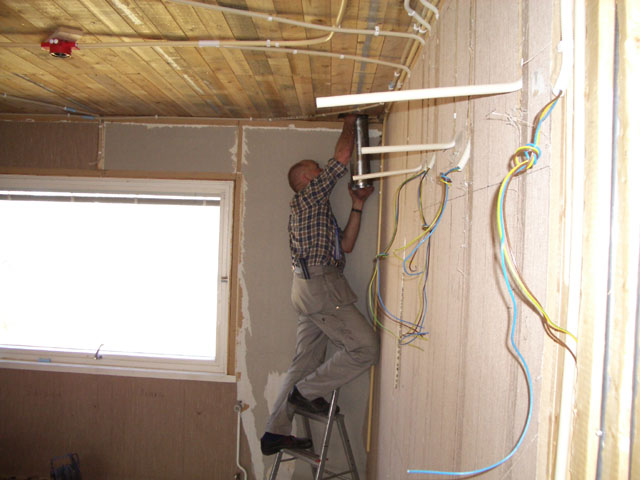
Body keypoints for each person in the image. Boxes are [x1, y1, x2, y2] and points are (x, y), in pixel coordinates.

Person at [260, 114, 379, 456]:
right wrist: (350, 121)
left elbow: (347, 245)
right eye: (317, 169)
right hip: (320, 287)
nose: (323, 171)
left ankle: (274, 433)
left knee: (303, 363)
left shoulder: (317, 213)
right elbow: (341, 158)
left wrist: (357, 205)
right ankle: (305, 393)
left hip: (311, 288)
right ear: (307, 179)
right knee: (366, 348)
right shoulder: (307, 199)